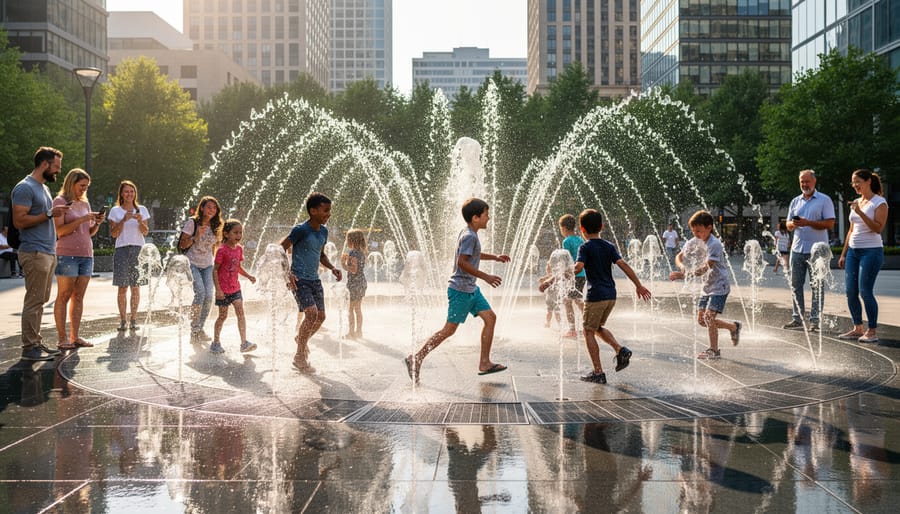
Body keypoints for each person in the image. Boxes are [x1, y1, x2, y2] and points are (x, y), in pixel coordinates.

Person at [404, 198, 510, 383]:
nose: (489, 218)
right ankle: (417, 357)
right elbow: (462, 262)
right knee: (448, 330)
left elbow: (473, 255)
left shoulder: (470, 233)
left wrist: (495, 257)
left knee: (490, 318)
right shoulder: (469, 235)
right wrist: (486, 277)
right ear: (476, 218)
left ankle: (484, 362)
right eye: (486, 214)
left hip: (471, 289)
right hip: (460, 290)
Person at [572, 209, 651, 383]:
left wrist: (564, 271)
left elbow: (578, 267)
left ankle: (598, 372)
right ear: (601, 226)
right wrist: (639, 285)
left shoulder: (584, 247)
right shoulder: (609, 246)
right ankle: (620, 350)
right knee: (597, 327)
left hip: (596, 296)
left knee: (588, 331)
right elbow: (623, 264)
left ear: (581, 229)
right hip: (611, 295)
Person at [10, 147, 67, 361]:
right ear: (45, 164)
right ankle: (29, 347)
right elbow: (19, 221)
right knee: (34, 301)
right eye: (56, 167)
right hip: (33, 252)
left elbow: (45, 216)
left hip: (47, 251)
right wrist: (50, 213)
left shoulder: (43, 188)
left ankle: (35, 341)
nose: (57, 172)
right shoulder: (25, 188)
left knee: (40, 300)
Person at [281, 192, 342, 373]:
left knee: (321, 317)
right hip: (299, 279)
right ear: (313, 211)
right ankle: (299, 356)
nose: (328, 214)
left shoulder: (324, 231)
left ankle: (301, 338)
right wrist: (287, 273)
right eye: (325, 211)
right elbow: (280, 249)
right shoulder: (300, 230)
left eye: (329, 211)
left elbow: (321, 254)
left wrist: (332, 268)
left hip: (315, 280)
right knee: (311, 313)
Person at [669, 210, 742, 360]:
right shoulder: (694, 241)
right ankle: (733, 327)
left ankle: (714, 350)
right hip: (707, 287)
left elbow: (707, 267)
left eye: (699, 231)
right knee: (702, 320)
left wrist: (684, 275)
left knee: (709, 318)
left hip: (719, 286)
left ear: (709, 228)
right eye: (693, 231)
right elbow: (679, 256)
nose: (695, 234)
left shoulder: (714, 244)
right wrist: (682, 267)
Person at [53, 168, 104, 350]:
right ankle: (62, 338)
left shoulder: (85, 203)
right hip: (67, 254)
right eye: (82, 186)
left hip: (86, 254)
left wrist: (96, 223)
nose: (84, 189)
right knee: (64, 295)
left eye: (86, 187)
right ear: (71, 183)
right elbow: (60, 231)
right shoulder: (60, 202)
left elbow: (88, 232)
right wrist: (82, 219)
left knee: (79, 297)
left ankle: (75, 336)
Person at [837, 169, 888, 343]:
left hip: (871, 251)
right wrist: (844, 254)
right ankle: (858, 328)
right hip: (853, 251)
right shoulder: (857, 202)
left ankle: (871, 331)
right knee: (851, 291)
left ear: (868, 181)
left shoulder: (879, 202)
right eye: (853, 182)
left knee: (865, 291)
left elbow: (878, 228)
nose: (855, 185)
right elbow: (851, 230)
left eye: (857, 181)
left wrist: (860, 212)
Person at [783, 170, 835, 331]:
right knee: (795, 285)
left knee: (817, 286)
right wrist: (794, 224)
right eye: (802, 182)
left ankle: (815, 321)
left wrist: (808, 223)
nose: (804, 185)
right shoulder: (795, 201)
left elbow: (829, 224)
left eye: (807, 182)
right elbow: (788, 224)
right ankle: (797, 318)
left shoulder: (824, 200)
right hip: (798, 248)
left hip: (817, 251)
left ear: (814, 181)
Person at [107, 180, 150, 331]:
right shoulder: (115, 211)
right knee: (122, 287)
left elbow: (145, 232)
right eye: (126, 191)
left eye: (132, 191)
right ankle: (123, 320)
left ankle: (134, 319)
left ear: (135, 193)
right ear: (121, 194)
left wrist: (140, 222)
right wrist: (124, 220)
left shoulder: (142, 209)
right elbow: (113, 234)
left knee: (136, 286)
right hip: (122, 249)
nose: (129, 194)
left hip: (138, 249)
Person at [178, 196, 223, 341]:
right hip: (192, 263)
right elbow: (182, 245)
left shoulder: (217, 227)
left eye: (214, 208)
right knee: (201, 293)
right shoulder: (192, 223)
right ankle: (194, 327)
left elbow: (217, 247)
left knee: (209, 296)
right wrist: (196, 236)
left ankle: (200, 328)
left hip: (208, 264)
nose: (212, 210)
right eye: (209, 207)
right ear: (202, 208)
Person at [211, 219, 257, 354]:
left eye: (240, 232)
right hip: (223, 290)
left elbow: (237, 267)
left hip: (235, 288)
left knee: (240, 312)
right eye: (235, 232)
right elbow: (215, 270)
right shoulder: (222, 251)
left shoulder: (239, 249)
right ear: (226, 234)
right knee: (222, 316)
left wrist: (248, 276)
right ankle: (216, 342)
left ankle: (244, 343)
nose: (239, 235)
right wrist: (218, 289)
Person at [559, 214, 585, 339]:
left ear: (563, 228)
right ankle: (588, 324)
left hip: (572, 275)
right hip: (582, 274)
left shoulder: (566, 241)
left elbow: (566, 259)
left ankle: (572, 329)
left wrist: (563, 273)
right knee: (577, 299)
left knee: (567, 301)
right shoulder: (580, 240)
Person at [341, 228, 367, 339]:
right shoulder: (361, 252)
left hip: (354, 284)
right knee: (358, 309)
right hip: (361, 282)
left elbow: (353, 270)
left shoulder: (353, 253)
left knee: (350, 309)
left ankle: (351, 333)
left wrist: (343, 263)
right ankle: (359, 332)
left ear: (351, 240)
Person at [538, 262, 561, 328]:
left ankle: (559, 324)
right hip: (549, 296)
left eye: (548, 268)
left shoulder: (554, 276)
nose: (546, 269)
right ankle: (548, 323)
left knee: (556, 311)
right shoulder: (549, 276)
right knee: (549, 311)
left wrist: (544, 280)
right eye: (546, 268)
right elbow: (541, 281)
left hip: (555, 296)